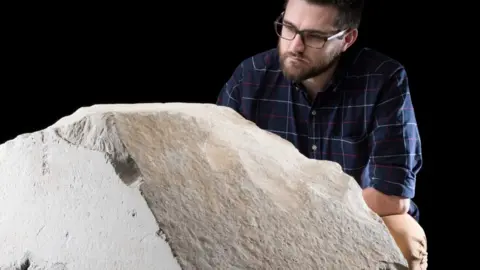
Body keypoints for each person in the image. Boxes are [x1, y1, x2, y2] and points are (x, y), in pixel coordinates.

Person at [216, 0, 428, 268]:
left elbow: (392, 198)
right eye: (289, 28)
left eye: (314, 36)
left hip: (357, 219)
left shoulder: (383, 79)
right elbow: (218, 171)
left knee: (405, 240)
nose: (295, 46)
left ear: (347, 39)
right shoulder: (250, 77)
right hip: (270, 216)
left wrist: (309, 218)